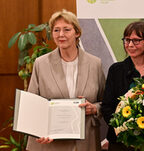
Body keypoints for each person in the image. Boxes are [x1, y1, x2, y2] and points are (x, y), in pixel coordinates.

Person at [26, 9, 105, 151]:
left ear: (77, 32)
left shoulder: (95, 63)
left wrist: (94, 108)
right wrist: (39, 131)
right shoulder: (41, 63)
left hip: (85, 142)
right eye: (56, 30)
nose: (61, 35)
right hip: (51, 144)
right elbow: (32, 104)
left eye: (66, 29)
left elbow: (105, 102)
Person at [101, 21, 144, 151]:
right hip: (120, 141)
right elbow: (106, 106)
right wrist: (124, 127)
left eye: (136, 40)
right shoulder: (116, 70)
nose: (130, 45)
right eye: (127, 40)